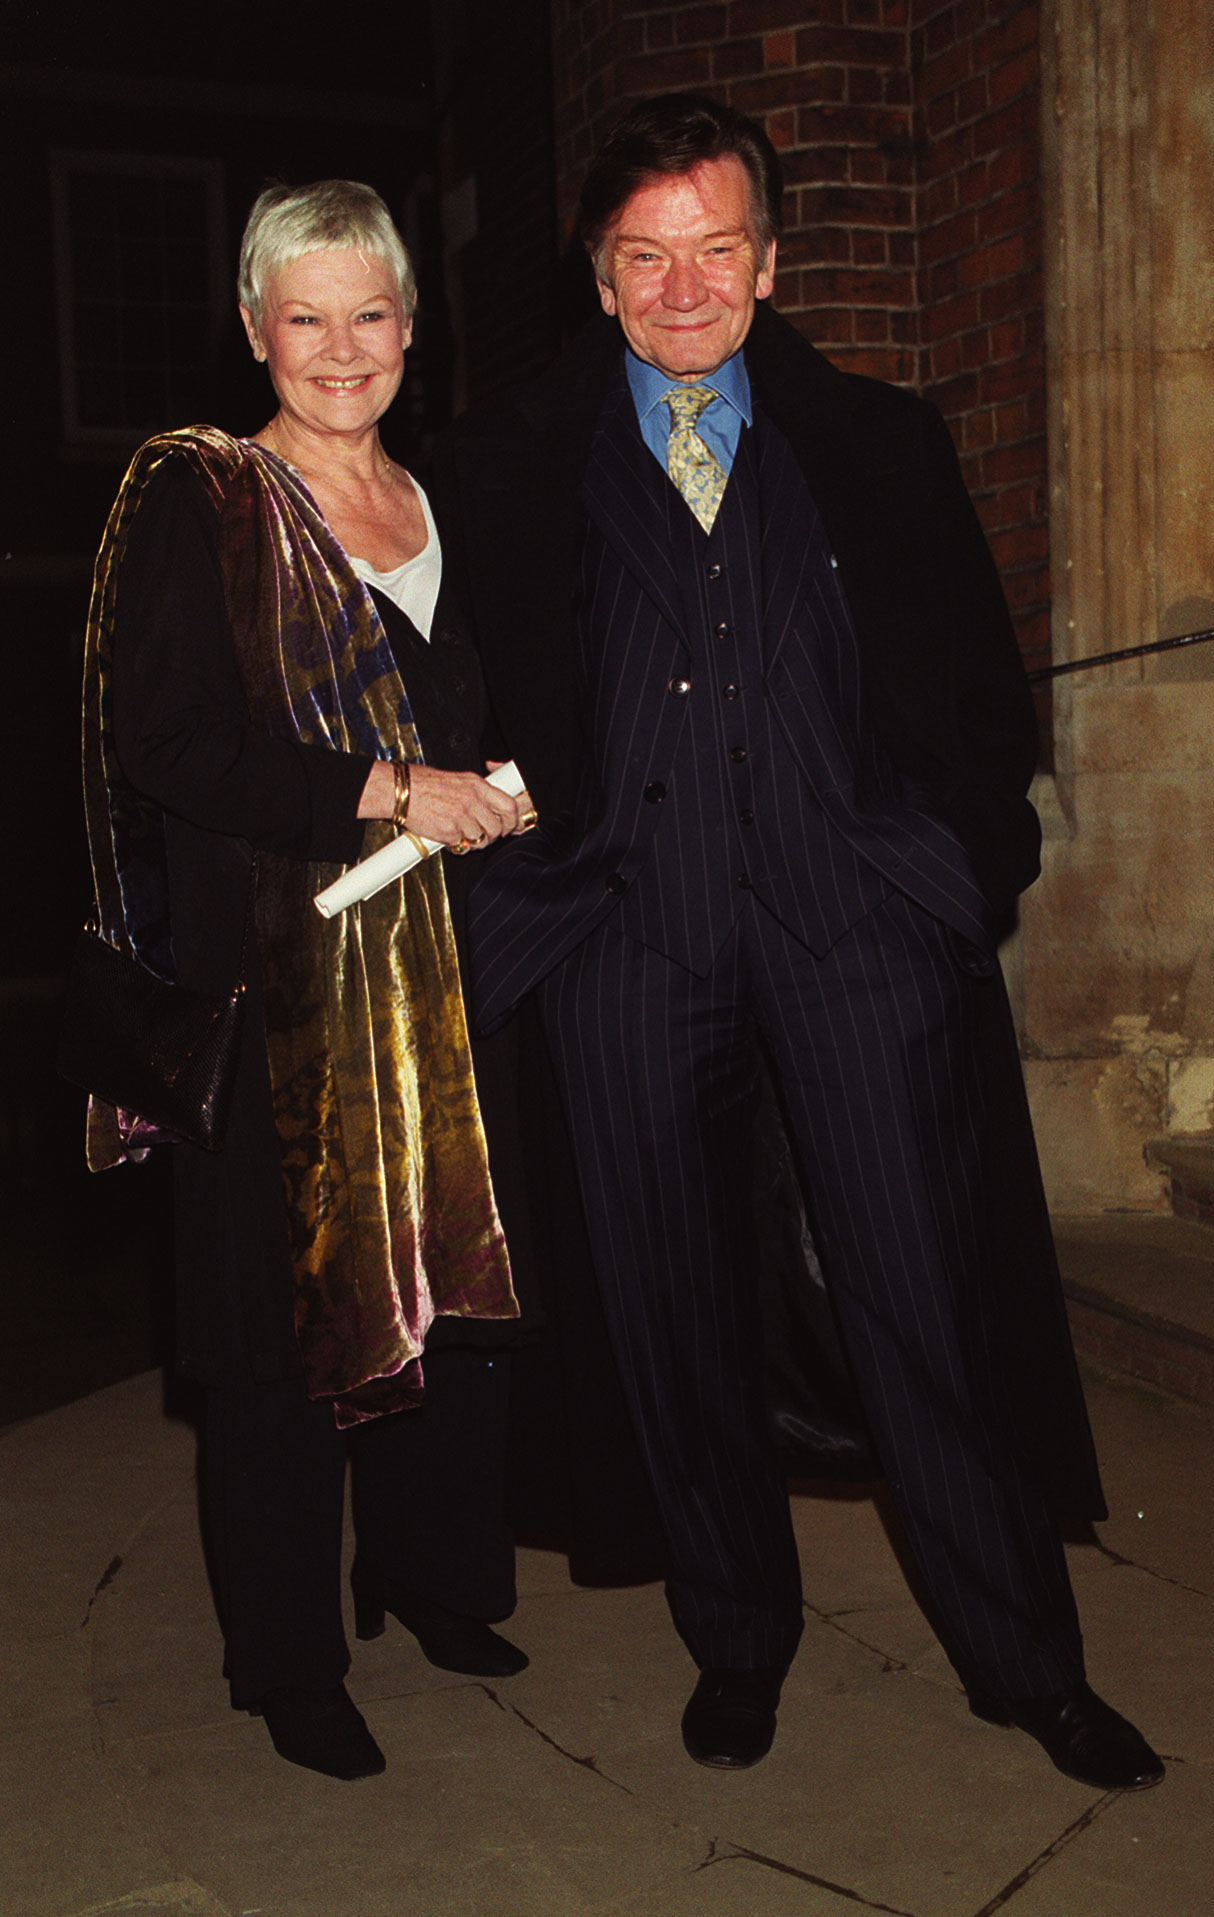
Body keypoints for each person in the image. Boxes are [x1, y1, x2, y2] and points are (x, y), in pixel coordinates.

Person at [432, 95, 1164, 1790]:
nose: (681, 285)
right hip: (628, 942)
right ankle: (739, 1636)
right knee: (675, 1321)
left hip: (859, 941)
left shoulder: (880, 441)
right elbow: (452, 697)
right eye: (643, 257)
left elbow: (976, 695)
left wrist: (948, 875)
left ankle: (1026, 1661)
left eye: (712, 249)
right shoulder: (504, 459)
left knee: (926, 1303)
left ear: (765, 261)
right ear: (600, 282)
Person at [79, 180, 535, 1781]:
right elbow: (172, 742)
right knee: (276, 1337)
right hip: (272, 979)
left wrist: (495, 781)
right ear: (255, 326)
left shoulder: (437, 495)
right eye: (305, 316)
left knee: (442, 1286)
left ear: (413, 323)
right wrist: (390, 786)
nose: (341, 349)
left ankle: (425, 1577)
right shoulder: (201, 501)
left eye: (372, 314)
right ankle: (286, 1662)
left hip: (439, 969)